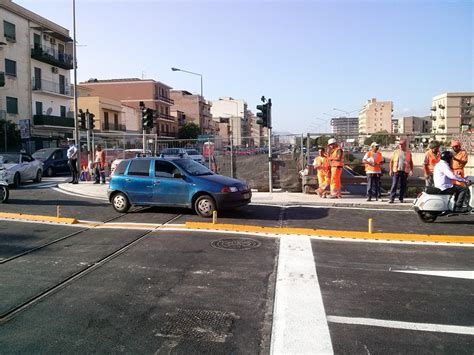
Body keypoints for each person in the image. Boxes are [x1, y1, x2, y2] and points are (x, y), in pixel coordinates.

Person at [388, 139, 413, 203]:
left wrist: (411, 170)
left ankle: (401, 198)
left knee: (403, 185)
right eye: (400, 144)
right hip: (396, 170)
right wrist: (390, 170)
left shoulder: (408, 152)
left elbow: (410, 162)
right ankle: (391, 198)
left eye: (402, 145)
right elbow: (391, 161)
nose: (401, 146)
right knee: (394, 184)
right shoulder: (396, 152)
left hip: (405, 171)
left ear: (405, 145)